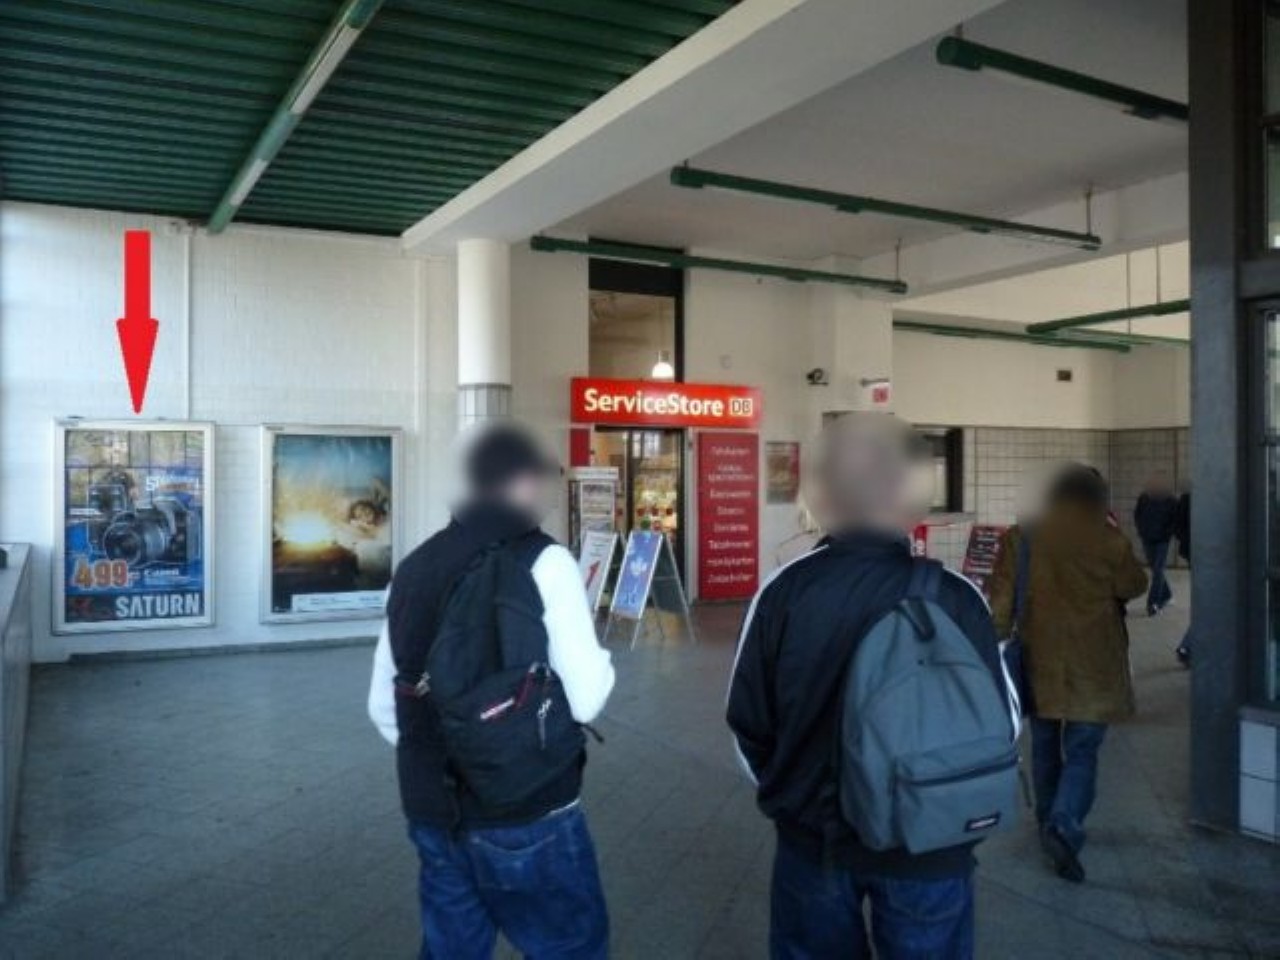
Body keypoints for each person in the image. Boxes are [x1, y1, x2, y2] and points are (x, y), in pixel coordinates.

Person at [728, 414, 1011, 960]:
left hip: (815, 841)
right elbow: (1001, 720)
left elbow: (747, 724)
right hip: (931, 840)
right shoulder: (956, 596)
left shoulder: (784, 590)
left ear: (826, 495)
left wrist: (795, 790)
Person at [368, 423, 616, 960]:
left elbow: (384, 706)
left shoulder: (413, 567)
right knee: (569, 948)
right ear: (523, 482)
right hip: (528, 808)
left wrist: (448, 756)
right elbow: (587, 697)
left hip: (433, 810)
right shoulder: (546, 561)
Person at [990, 464, 1147, 884]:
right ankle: (1065, 822)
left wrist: (995, 643)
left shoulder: (1021, 537)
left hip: (1038, 658)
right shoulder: (1108, 540)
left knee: (1044, 745)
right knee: (1082, 751)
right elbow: (1134, 586)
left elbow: (1001, 602)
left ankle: (1047, 820)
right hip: (1095, 663)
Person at [1134, 472, 1179, 616]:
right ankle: (1167, 595)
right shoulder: (1144, 498)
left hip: (1162, 541)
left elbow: (1175, 520)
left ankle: (1153, 604)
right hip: (1147, 538)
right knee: (1155, 570)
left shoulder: (1172, 501)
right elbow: (1137, 514)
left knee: (1158, 571)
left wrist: (1167, 534)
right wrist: (1141, 529)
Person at [1173, 490, 1192, 666]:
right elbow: (1178, 524)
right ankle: (1187, 646)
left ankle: (1188, 646)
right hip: (1198, 554)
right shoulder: (1188, 498)